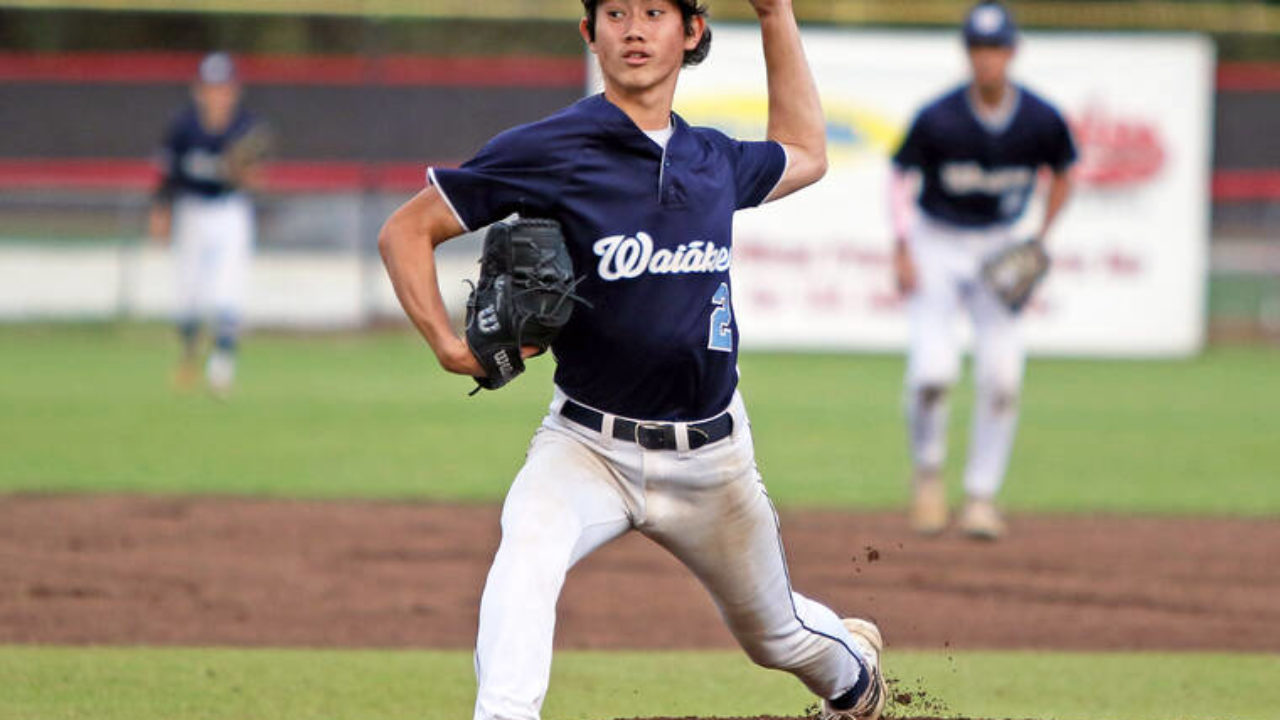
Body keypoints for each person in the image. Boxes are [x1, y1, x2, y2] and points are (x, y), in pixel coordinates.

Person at [378, 2, 886, 719]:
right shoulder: (549, 148)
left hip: (711, 459)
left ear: (692, 32)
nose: (635, 28)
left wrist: (776, 13)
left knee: (777, 637)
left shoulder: (713, 160)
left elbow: (806, 151)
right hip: (586, 446)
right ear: (589, 33)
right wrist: (448, 344)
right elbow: (406, 230)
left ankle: (856, 679)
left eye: (655, 11)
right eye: (615, 12)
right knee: (527, 554)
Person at [889, 0, 1076, 540]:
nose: (987, 58)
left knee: (1001, 377)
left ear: (1011, 52)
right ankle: (927, 475)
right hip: (937, 242)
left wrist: (1041, 237)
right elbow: (899, 176)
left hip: (998, 247)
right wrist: (901, 245)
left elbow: (1065, 171)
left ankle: (979, 497)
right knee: (932, 373)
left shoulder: (1039, 118)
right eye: (978, 48)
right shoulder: (940, 117)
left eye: (995, 48)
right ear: (968, 53)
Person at [149, 52, 267, 397]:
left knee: (227, 289)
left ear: (234, 90)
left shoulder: (245, 126)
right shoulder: (183, 126)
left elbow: (257, 178)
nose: (217, 94)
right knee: (187, 294)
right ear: (199, 90)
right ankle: (189, 354)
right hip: (190, 210)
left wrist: (241, 173)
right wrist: (160, 212)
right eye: (211, 87)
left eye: (224, 87)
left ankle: (221, 367)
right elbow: (166, 175)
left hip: (230, 210)